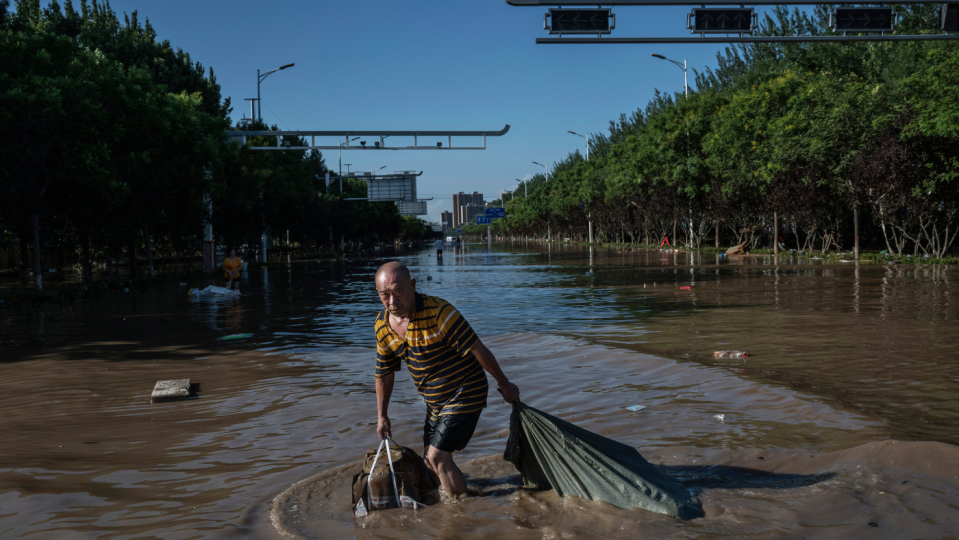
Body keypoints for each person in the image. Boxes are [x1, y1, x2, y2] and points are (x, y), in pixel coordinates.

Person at [374, 261, 519, 496]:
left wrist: (505, 385)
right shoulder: (382, 326)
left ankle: (460, 512)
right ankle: (456, 497)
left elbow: (478, 349)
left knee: (437, 457)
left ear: (412, 286)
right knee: (428, 462)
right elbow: (384, 373)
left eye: (398, 292)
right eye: (385, 295)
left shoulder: (440, 312)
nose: (392, 301)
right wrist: (382, 416)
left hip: (466, 389)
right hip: (435, 400)